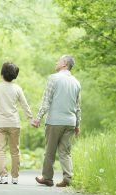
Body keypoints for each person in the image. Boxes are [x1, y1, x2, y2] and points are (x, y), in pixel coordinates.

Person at [33, 55, 81, 187]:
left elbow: (46, 101)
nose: (56, 62)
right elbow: (78, 107)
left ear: (64, 63)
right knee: (65, 152)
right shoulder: (76, 82)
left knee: (50, 151)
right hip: (70, 122)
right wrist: (77, 124)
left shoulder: (53, 78)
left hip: (55, 121)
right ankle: (68, 178)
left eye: (58, 60)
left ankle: (47, 178)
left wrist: (38, 118)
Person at [0, 62, 34, 185]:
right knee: (15, 151)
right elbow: (25, 105)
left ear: (2, 73)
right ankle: (15, 177)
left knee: (0, 150)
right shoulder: (17, 88)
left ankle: (3, 177)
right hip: (14, 123)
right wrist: (30, 119)